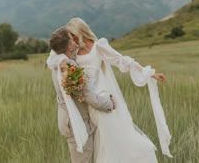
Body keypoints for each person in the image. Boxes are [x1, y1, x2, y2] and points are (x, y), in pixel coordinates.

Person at [65, 17, 172, 163]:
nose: (73, 40)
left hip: (105, 98)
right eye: (71, 37)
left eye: (74, 36)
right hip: (91, 102)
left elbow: (121, 60)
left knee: (116, 138)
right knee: (104, 141)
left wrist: (149, 73)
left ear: (81, 32)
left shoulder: (98, 46)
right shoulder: (74, 53)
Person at [46, 27, 116, 163]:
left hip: (69, 120)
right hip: (77, 122)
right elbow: (87, 94)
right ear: (69, 45)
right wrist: (108, 103)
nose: (76, 41)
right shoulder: (70, 68)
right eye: (72, 38)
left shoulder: (58, 60)